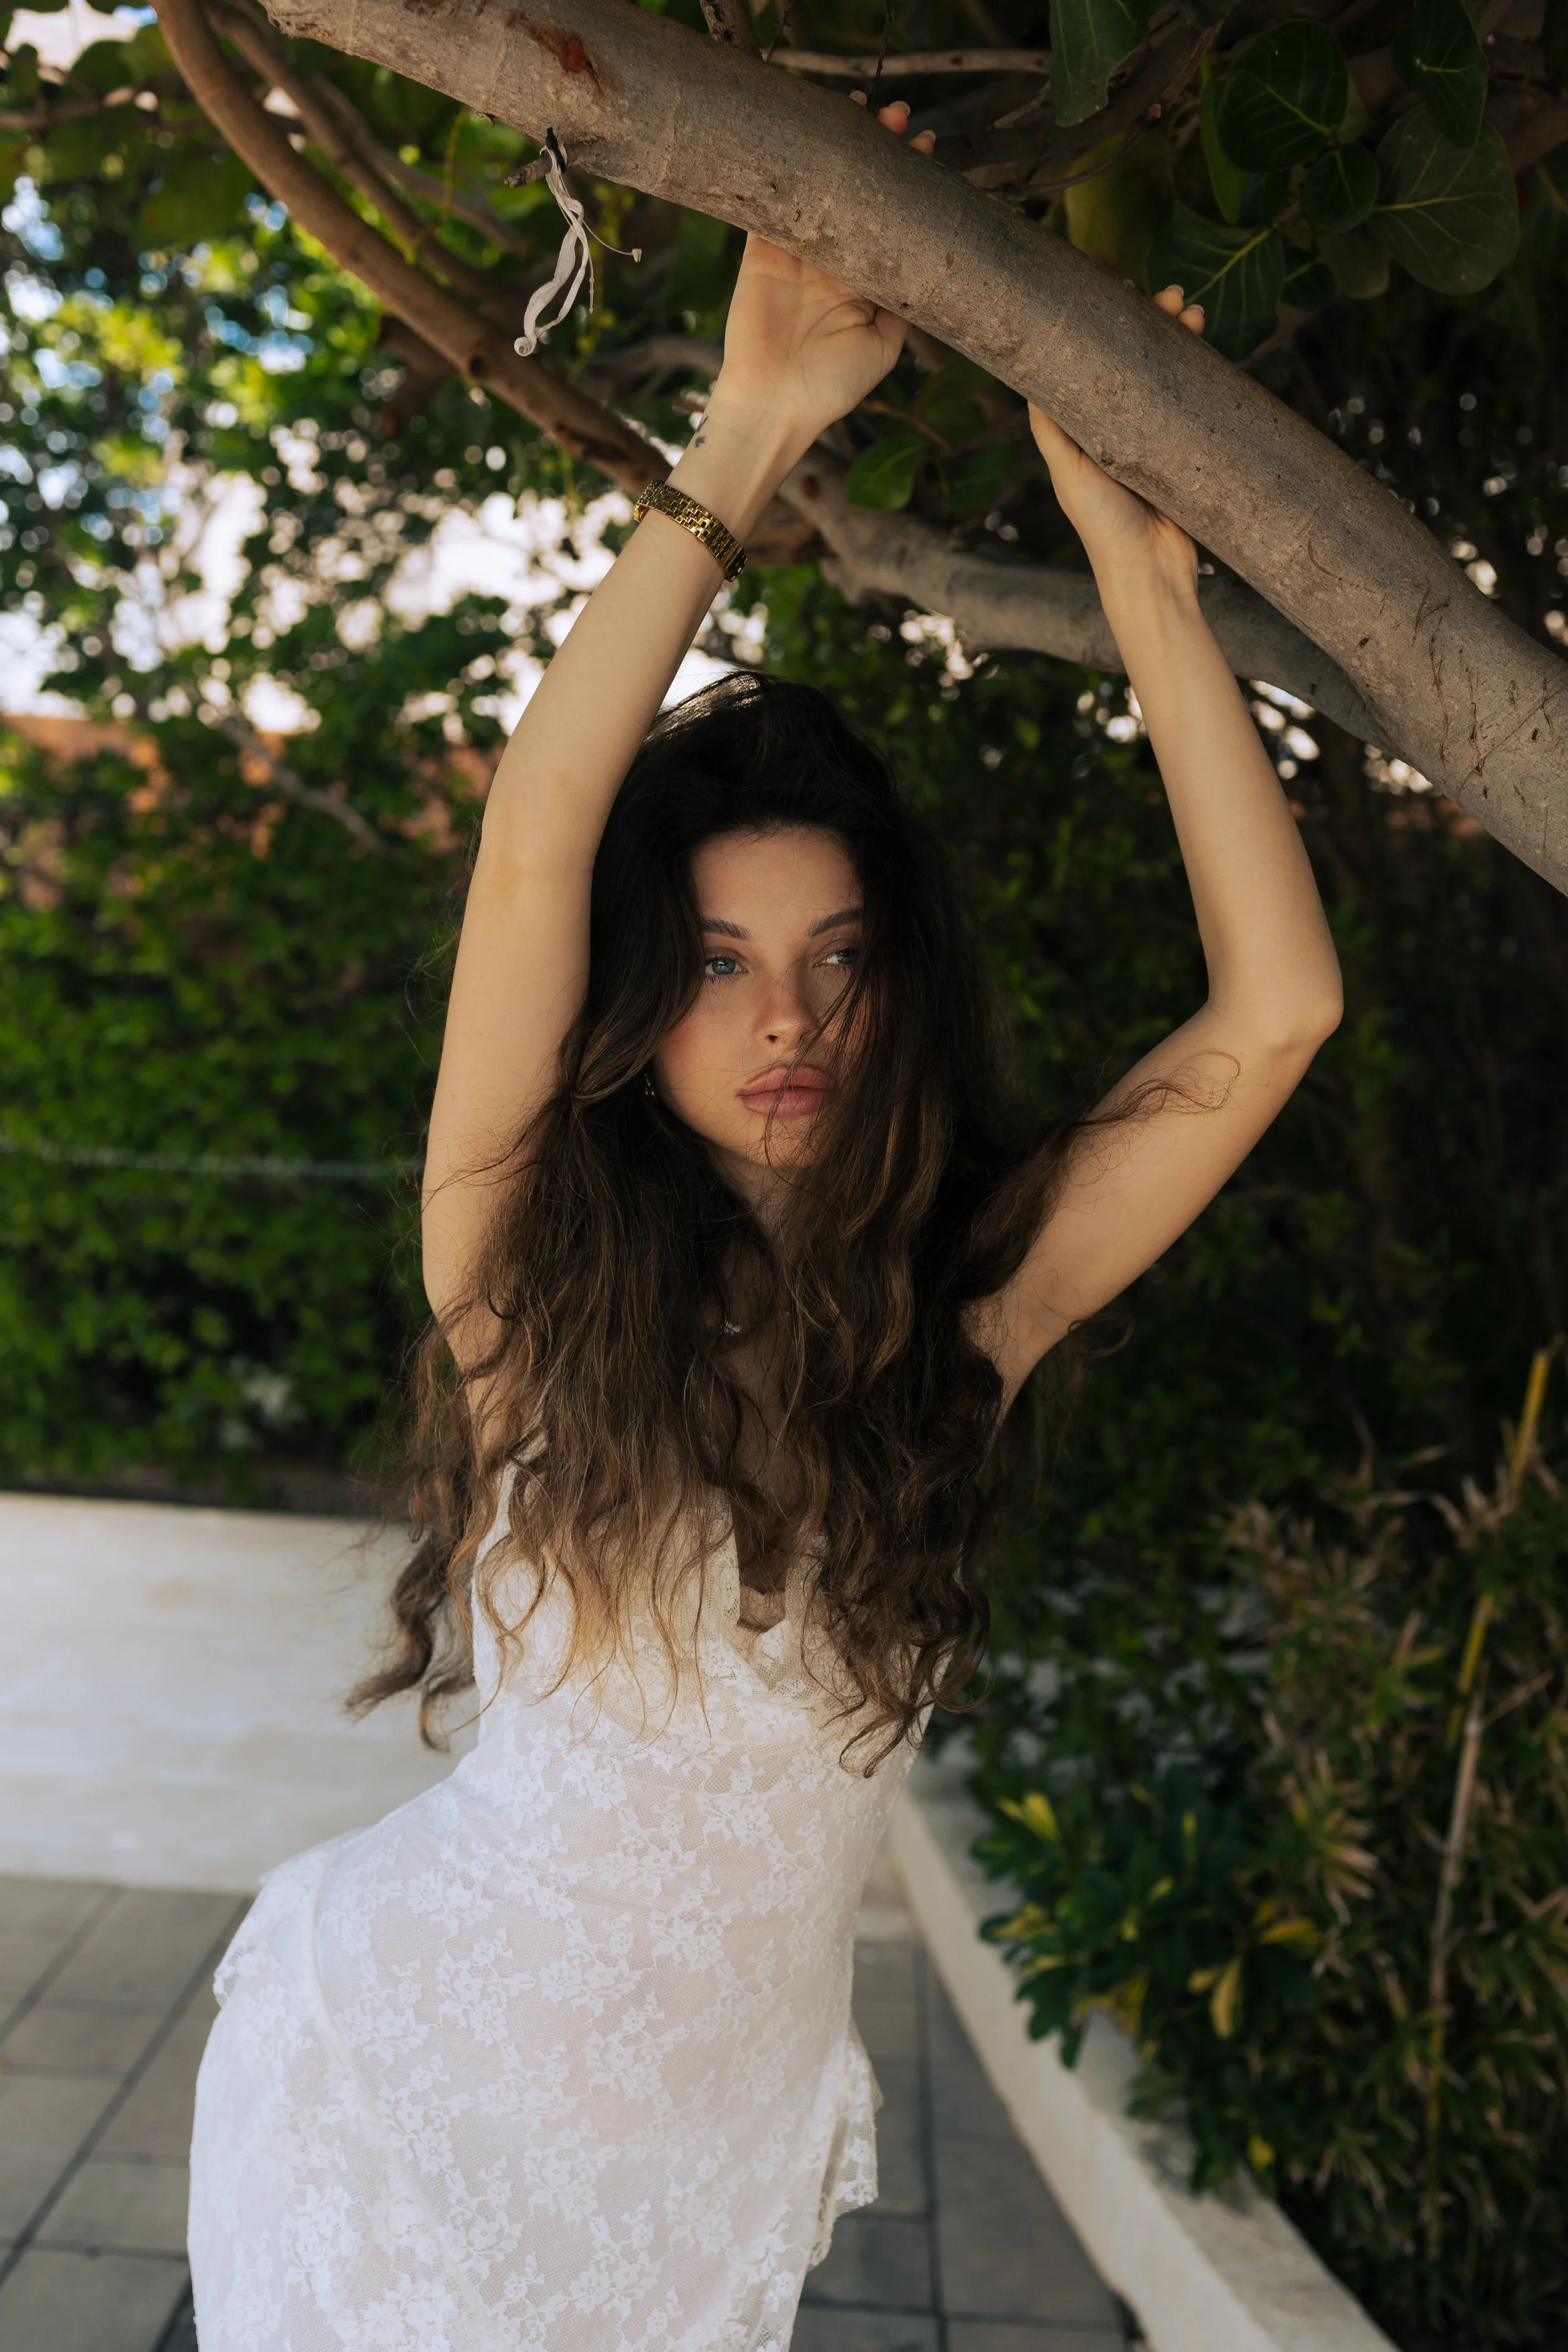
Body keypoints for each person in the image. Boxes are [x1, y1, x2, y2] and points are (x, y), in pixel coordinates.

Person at [187, 102, 1342, 2352]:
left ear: (894, 979)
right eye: (716, 959)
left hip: (700, 2174)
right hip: (396, 2109)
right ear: (640, 996)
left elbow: (1278, 1005)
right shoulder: (522, 1280)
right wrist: (747, 431)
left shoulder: (962, 1322)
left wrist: (1144, 576)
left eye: (830, 956)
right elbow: (532, 854)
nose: (785, 1014)